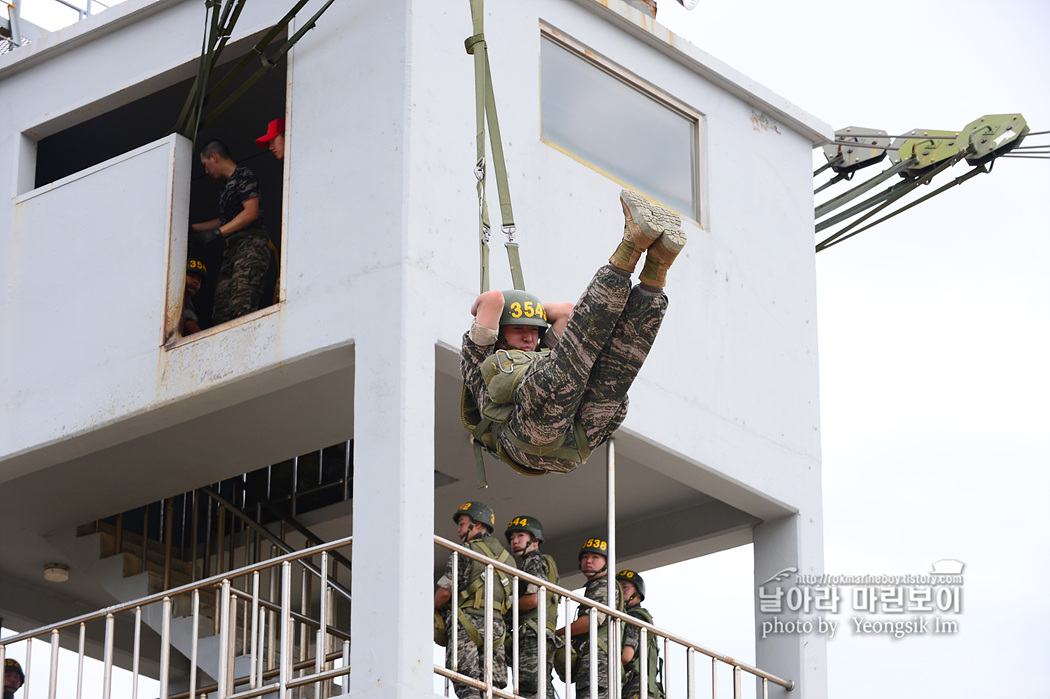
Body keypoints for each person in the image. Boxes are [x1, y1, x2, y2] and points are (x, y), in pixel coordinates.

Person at [461, 188, 686, 476]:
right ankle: (631, 244)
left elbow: (569, 313)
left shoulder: (543, 353)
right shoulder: (477, 361)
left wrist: (529, 315)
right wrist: (520, 309)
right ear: (500, 333)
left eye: (534, 331)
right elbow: (494, 300)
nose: (530, 338)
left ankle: (657, 263)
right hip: (527, 436)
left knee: (616, 369)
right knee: (570, 364)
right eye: (519, 331)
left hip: (574, 441)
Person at [435, 502, 518, 699]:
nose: (458, 529)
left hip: (467, 623)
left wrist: (433, 608)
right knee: (494, 685)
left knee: (466, 680)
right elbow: (511, 602)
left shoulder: (465, 550)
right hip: (497, 628)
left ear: (477, 525)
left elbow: (445, 592)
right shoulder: (508, 559)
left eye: (462, 524)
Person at [191, 140, 271, 325]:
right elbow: (226, 219)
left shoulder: (243, 175)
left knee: (241, 305)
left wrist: (217, 233)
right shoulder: (227, 186)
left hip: (250, 245)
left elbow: (250, 212)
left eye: (205, 165)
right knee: (221, 312)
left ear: (214, 157)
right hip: (232, 250)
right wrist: (195, 228)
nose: (206, 171)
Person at [556, 538, 623, 699]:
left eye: (595, 557)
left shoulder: (604, 585)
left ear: (608, 562)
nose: (588, 561)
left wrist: (557, 633)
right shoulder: (596, 586)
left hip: (598, 661)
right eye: (585, 557)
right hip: (594, 660)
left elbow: (591, 621)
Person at [504, 515, 560, 699]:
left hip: (532, 633)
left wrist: (508, 605)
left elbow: (535, 599)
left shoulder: (533, 561)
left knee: (529, 687)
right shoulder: (534, 562)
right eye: (512, 538)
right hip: (540, 633)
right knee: (540, 685)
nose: (515, 541)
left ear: (535, 540)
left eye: (520, 536)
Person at [617, 570, 664, 699]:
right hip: (645, 688)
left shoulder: (635, 617)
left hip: (636, 689)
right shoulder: (638, 617)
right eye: (617, 587)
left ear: (638, 593)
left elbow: (626, 656)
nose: (620, 591)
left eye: (625, 587)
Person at [181, 256, 207, 336]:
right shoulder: (181, 294)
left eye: (199, 280)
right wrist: (202, 338)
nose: (196, 281)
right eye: (191, 276)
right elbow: (187, 319)